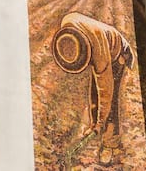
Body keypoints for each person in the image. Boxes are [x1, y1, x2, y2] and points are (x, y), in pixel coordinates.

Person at [53, 12, 135, 140]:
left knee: (111, 98)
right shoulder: (68, 25)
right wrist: (95, 125)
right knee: (93, 91)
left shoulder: (99, 52)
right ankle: (93, 125)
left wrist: (101, 122)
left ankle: (111, 137)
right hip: (101, 45)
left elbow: (105, 91)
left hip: (119, 53)